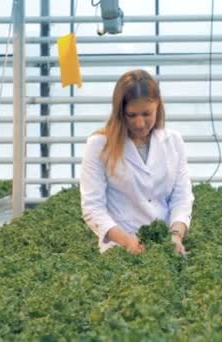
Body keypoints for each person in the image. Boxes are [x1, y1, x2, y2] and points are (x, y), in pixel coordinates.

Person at [80, 69, 194, 255]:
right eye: (131, 115)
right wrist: (126, 241)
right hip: (120, 248)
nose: (140, 123)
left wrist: (175, 236)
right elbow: (93, 208)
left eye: (146, 114)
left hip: (165, 247)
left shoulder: (173, 142)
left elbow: (181, 198)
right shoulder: (99, 145)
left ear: (158, 106)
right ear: (119, 112)